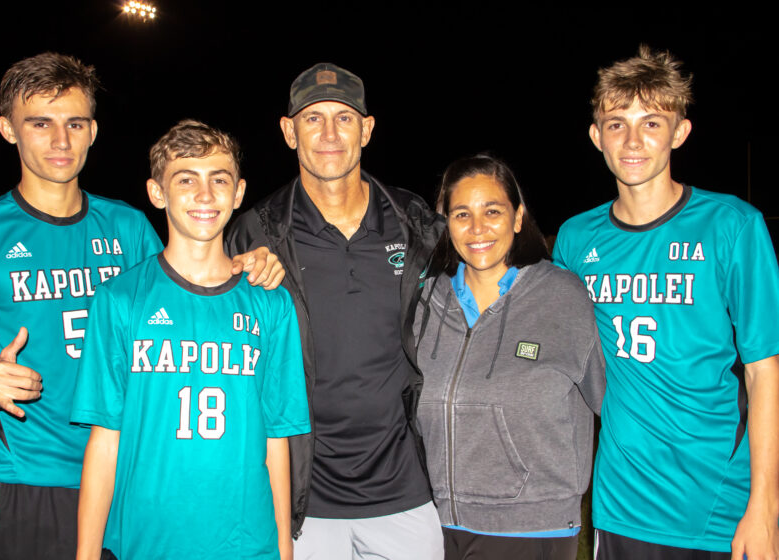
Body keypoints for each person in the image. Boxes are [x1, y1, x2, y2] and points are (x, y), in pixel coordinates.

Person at [0, 53, 280, 560]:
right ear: (8, 130)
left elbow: (188, 286)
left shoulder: (127, 227)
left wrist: (248, 264)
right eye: (40, 124)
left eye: (75, 123)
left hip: (122, 476)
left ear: (93, 131)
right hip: (19, 479)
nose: (60, 141)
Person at [552, 45, 779, 560]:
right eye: (616, 124)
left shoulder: (732, 226)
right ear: (596, 136)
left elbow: (766, 372)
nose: (633, 140)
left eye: (651, 123)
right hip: (620, 503)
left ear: (679, 132)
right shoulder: (574, 238)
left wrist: (765, 507)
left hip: (718, 503)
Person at [227, 62, 445, 559]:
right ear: (288, 131)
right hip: (304, 500)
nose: (329, 134)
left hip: (405, 493)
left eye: (344, 118)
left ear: (367, 129)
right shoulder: (254, 234)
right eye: (312, 118)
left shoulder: (417, 224)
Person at [71, 120, 310, 560]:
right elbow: (105, 439)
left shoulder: (271, 305)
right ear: (157, 193)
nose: (205, 195)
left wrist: (283, 549)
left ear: (238, 193)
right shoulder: (120, 299)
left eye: (219, 180)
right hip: (145, 541)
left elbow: (277, 441)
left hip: (245, 544)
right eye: (186, 180)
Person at [414, 154, 605, 560]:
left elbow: (613, 402)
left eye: (493, 211)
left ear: (518, 218)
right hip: (434, 524)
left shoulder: (563, 296)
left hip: (532, 526)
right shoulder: (425, 300)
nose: (478, 228)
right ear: (445, 223)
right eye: (462, 213)